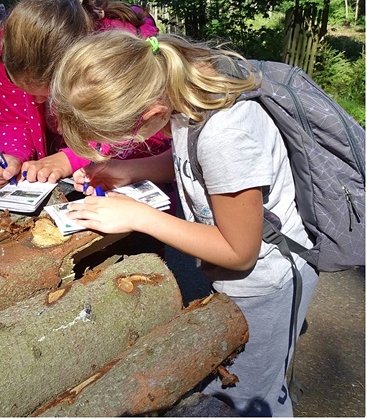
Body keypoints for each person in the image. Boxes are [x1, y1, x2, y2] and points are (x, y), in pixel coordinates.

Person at [50, 32, 317, 416]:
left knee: (247, 397)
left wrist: (141, 216)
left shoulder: (226, 134)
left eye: (120, 140)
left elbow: (240, 252)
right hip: (239, 280)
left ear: (152, 115)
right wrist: (122, 170)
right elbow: (192, 162)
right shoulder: (181, 89)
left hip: (266, 285)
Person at [0, 0, 170, 188]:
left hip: (127, 175)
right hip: (63, 179)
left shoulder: (119, 49)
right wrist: (12, 155)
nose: (36, 102)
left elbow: (138, 127)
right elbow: (14, 119)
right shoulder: (11, 46)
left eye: (50, 94)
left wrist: (73, 158)